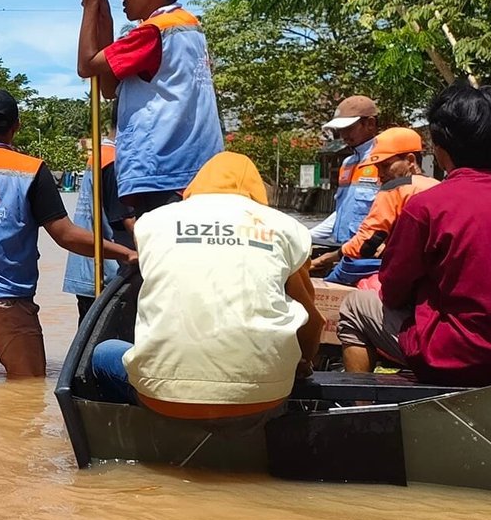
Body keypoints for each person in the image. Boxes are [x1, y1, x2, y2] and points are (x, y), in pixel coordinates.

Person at [337, 83, 491, 386]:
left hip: (450, 357)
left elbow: (394, 289)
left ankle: (358, 409)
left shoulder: (427, 205)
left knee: (355, 306)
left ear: (440, 150)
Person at [89, 153, 323, 423]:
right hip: (263, 398)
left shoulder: (151, 223)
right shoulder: (288, 228)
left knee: (103, 353)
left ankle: (136, 430)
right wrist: (303, 363)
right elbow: (311, 325)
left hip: (162, 399)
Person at [0, 89, 137, 378]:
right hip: (7, 300)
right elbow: (66, 235)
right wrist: (126, 253)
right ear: (17, 126)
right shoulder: (32, 170)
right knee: (29, 389)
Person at [76, 0, 225, 218]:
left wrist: (90, 2)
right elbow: (109, 87)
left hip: (164, 171)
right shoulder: (187, 25)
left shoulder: (153, 32)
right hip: (192, 169)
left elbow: (86, 66)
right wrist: (104, 18)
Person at [333, 127, 439, 268]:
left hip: (406, 273)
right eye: (377, 167)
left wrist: (323, 260)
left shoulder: (394, 189)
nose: (380, 174)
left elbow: (365, 243)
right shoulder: (438, 186)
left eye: (385, 165)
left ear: (410, 160)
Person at [308, 95, 383, 279]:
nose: (344, 135)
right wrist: (305, 235)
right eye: (341, 129)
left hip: (368, 257)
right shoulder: (348, 163)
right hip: (342, 252)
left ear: (370, 124)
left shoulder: (384, 161)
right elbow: (342, 212)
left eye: (349, 128)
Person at [63, 132, 133, 322]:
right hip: (111, 276)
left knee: (89, 340)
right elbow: (129, 222)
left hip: (92, 270)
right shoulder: (115, 162)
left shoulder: (102, 155)